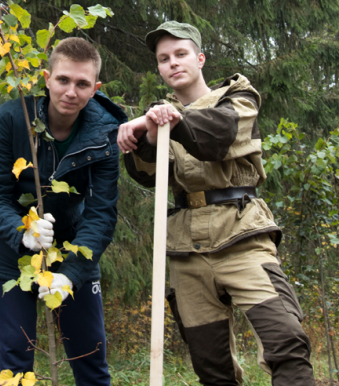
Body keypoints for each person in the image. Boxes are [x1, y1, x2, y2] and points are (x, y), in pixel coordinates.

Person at [118, 21, 315, 385]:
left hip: (242, 236)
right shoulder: (159, 114)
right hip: (186, 249)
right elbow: (148, 174)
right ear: (159, 68)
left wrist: (165, 122)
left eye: (181, 54)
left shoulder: (238, 96)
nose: (173, 63)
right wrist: (140, 135)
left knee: (285, 340)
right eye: (164, 59)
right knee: (211, 366)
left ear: (200, 58)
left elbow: (217, 138)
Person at [0, 37, 127, 385]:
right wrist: (21, 232)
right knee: (15, 361)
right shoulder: (12, 119)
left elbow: (102, 214)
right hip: (7, 252)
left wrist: (70, 274)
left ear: (95, 87)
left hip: (73, 247)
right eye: (63, 80)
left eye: (82, 83)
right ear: (46, 78)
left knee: (90, 358)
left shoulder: (106, 134)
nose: (71, 91)